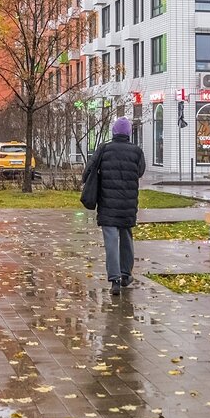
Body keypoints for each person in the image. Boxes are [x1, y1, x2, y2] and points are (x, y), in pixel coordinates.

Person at [83, 116, 146, 296]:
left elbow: (88, 170)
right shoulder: (137, 152)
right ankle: (126, 274)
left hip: (108, 204)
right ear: (128, 133)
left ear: (114, 132)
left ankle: (115, 280)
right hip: (128, 204)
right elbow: (140, 171)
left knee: (111, 241)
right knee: (126, 237)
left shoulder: (105, 149)